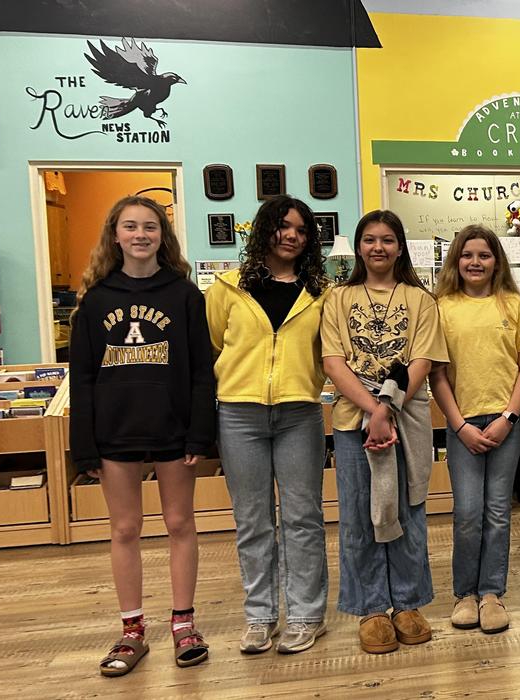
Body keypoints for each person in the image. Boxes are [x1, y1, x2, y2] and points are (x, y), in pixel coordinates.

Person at [69, 195, 215, 676]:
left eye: (149, 227)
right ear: (115, 235)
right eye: (130, 227)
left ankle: (183, 624)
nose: (140, 235)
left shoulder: (184, 294)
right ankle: (132, 631)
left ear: (162, 236)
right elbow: (83, 376)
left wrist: (200, 433)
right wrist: (82, 444)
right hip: (115, 431)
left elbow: (200, 372)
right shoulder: (95, 299)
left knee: (179, 524)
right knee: (125, 529)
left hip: (173, 428)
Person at [206, 194, 331, 655]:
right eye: (283, 227)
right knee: (252, 519)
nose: (292, 236)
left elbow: (328, 354)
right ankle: (260, 616)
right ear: (265, 230)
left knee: (303, 517)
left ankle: (305, 615)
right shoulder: (228, 287)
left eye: (301, 230)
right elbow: (214, 345)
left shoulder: (321, 293)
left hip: (300, 412)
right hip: (239, 413)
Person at [321, 210, 447, 653]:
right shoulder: (337, 298)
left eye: (388, 240)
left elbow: (423, 361)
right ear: (358, 246)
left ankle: (408, 603)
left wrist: (387, 410)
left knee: (409, 510)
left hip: (406, 417)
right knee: (360, 514)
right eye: (370, 240)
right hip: (353, 420)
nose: (379, 247)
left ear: (400, 247)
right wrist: (372, 410)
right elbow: (334, 361)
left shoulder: (421, 300)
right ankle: (372, 607)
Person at [431, 224, 520, 635]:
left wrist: (510, 416)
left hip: (507, 421)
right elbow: (436, 374)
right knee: (468, 512)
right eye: (468, 255)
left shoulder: (516, 306)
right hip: (462, 424)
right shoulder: (441, 307)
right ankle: (465, 595)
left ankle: (492, 593)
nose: (476, 262)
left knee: (497, 511)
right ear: (457, 260)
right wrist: (458, 426)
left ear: (497, 261)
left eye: (484, 255)